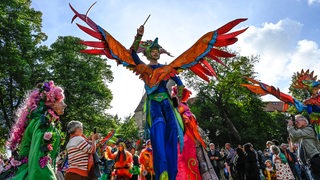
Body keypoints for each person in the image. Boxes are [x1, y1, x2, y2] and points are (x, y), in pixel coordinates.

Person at [5, 81, 66, 180]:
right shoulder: (43, 123)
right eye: (62, 101)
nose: (65, 105)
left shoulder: (37, 121)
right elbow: (38, 158)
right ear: (52, 102)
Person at [287, 114, 320, 179]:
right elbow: (293, 139)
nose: (296, 123)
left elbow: (295, 134)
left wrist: (290, 126)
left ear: (304, 121)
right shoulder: (301, 132)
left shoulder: (309, 129)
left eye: (297, 121)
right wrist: (292, 126)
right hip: (306, 162)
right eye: (295, 122)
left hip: (313, 159)